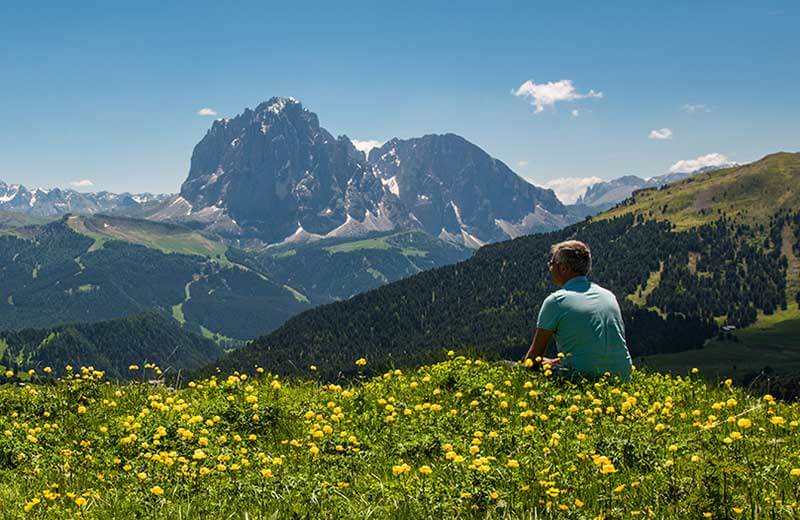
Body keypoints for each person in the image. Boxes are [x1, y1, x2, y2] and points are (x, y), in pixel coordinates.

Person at [522, 240, 632, 381]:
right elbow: (595, 349)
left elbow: (532, 360)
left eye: (552, 264)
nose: (550, 268)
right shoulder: (609, 296)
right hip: (622, 378)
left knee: (509, 366)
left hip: (583, 379)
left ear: (563, 268)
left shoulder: (556, 301)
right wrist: (556, 361)